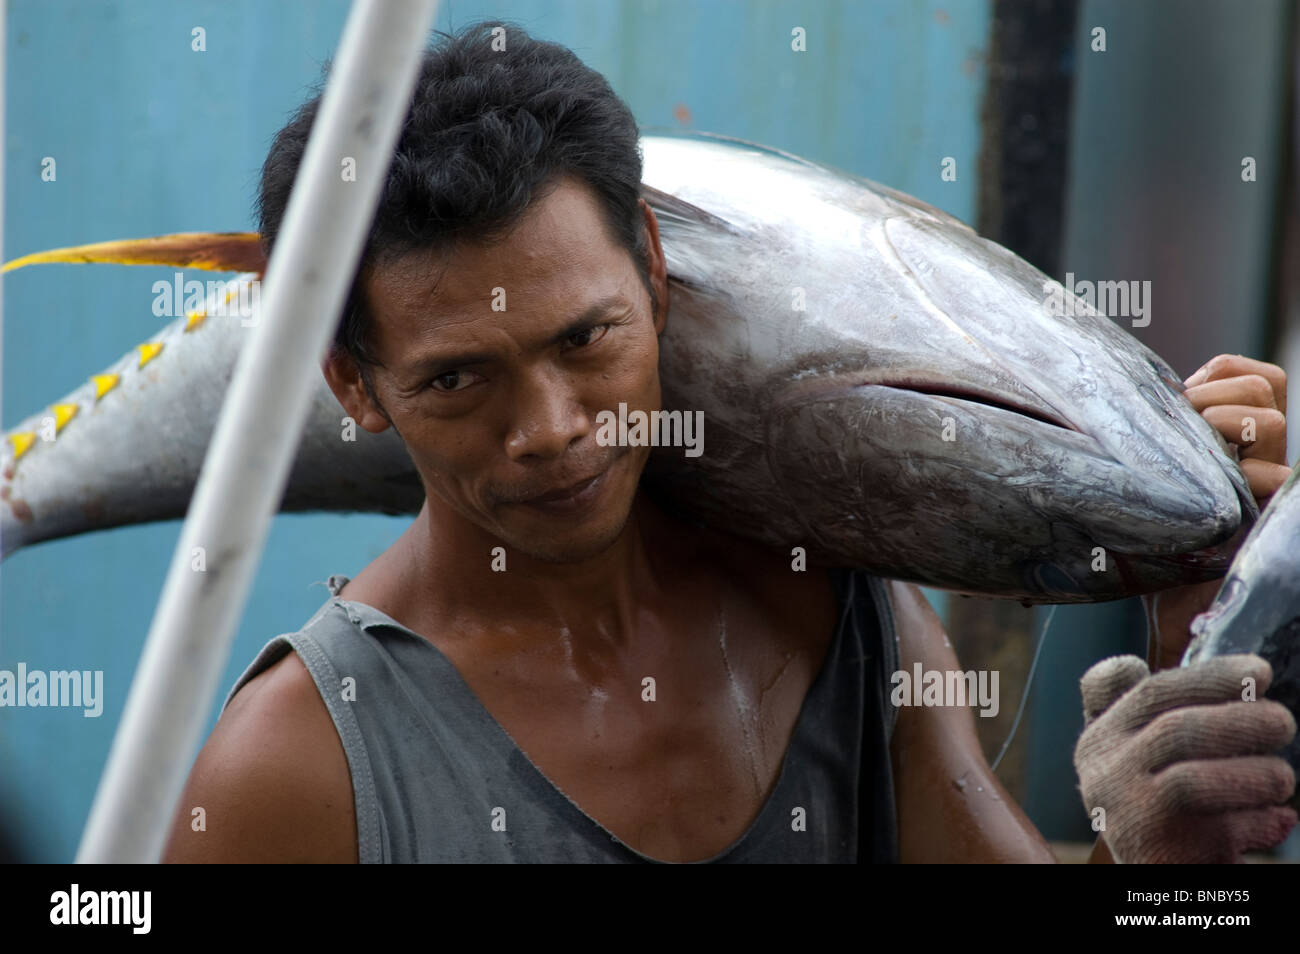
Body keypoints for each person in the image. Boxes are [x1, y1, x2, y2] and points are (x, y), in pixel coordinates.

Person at [162, 22, 1295, 864]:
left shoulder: (837, 612)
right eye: (457, 379)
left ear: (653, 273)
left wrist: (1173, 755)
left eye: (587, 338)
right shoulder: (298, 769)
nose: (552, 430)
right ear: (354, 385)